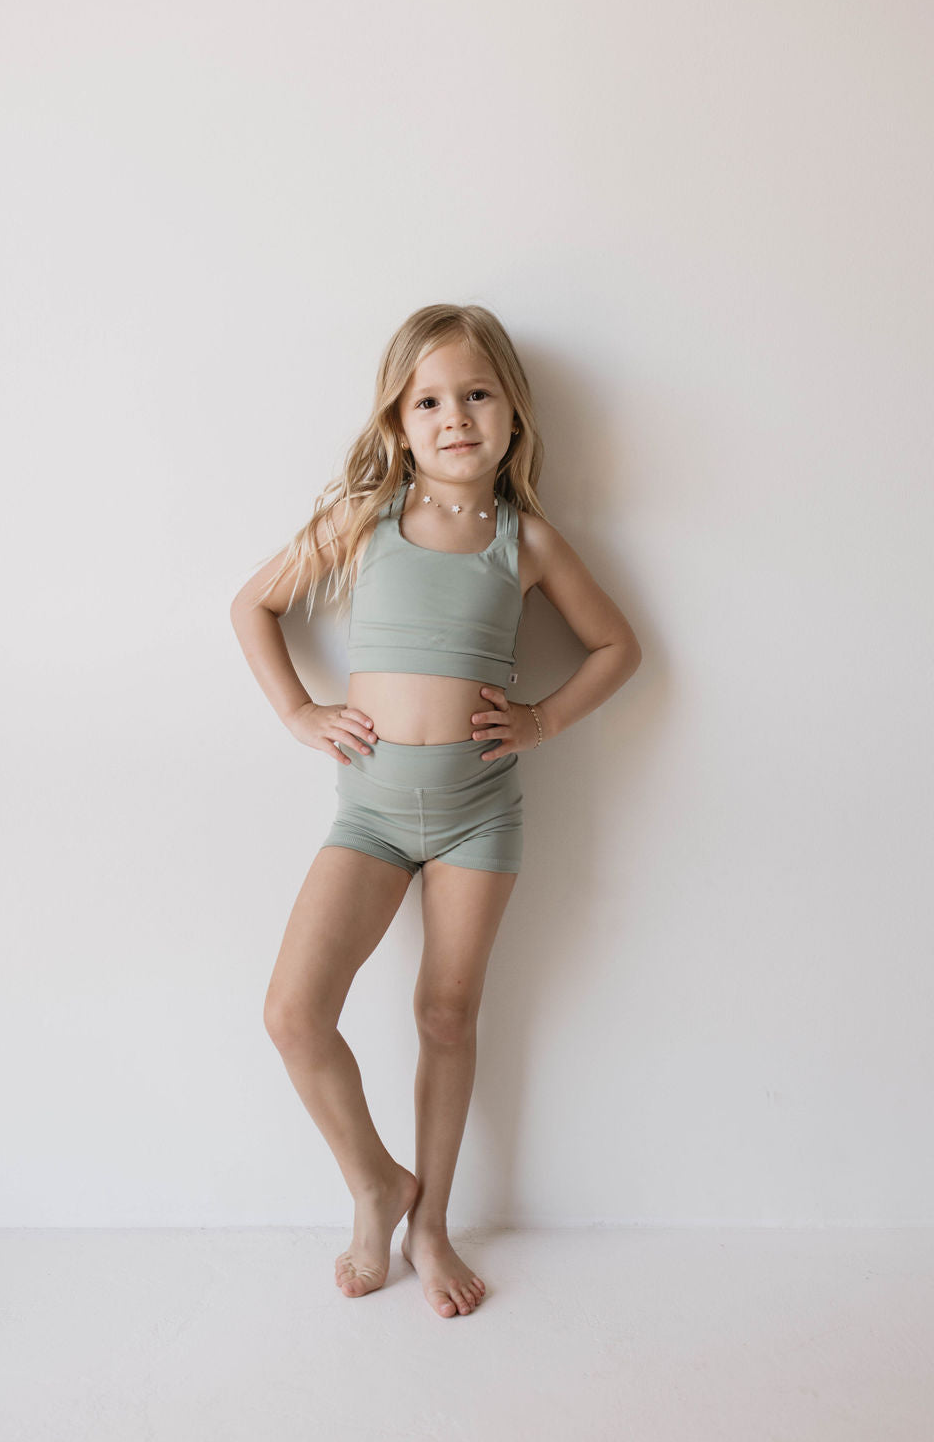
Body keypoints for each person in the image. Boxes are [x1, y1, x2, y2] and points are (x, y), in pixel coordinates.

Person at [229, 303, 642, 1318]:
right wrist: (296, 710)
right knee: (292, 1011)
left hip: (476, 818)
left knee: (446, 1014)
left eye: (474, 394)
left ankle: (431, 1220)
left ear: (510, 414)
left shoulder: (526, 539)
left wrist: (544, 715)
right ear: (398, 423)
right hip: (366, 816)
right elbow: (254, 604)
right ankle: (377, 1180)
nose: (452, 415)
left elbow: (617, 647)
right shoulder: (361, 521)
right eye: (427, 400)